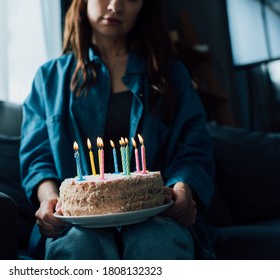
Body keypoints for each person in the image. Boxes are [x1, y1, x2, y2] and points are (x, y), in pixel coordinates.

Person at [20, 0, 217, 259]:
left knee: (155, 241)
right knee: (79, 243)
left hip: (157, 215)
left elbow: (192, 148)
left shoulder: (170, 73)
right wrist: (51, 201)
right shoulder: (49, 79)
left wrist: (183, 189)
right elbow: (38, 157)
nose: (115, 6)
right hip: (75, 221)